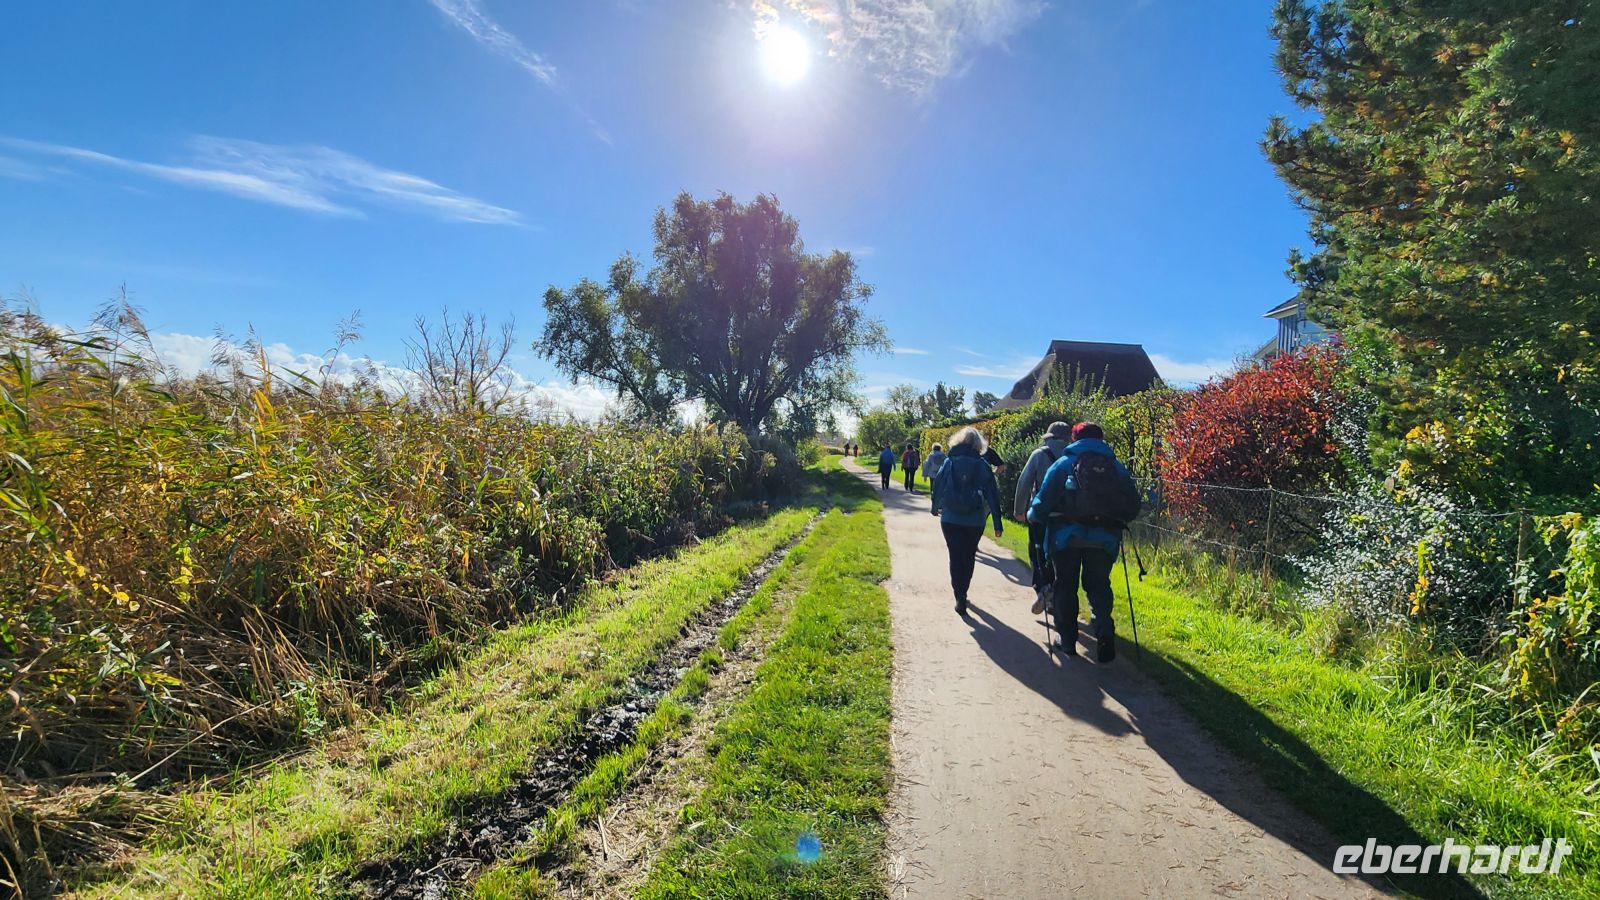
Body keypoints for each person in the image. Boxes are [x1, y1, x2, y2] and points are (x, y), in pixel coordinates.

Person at [1027, 422, 1138, 662]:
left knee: (1066, 586)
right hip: (1104, 539)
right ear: (1101, 439)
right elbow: (1133, 506)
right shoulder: (1116, 467)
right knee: (1098, 586)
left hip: (1066, 538)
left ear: (1074, 439)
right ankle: (1104, 632)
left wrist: (1033, 516)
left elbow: (1042, 503)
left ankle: (1067, 640)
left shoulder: (1063, 464)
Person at [930, 426, 1004, 616]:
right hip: (975, 520)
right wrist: (997, 523)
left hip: (950, 518)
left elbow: (938, 484)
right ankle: (964, 591)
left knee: (955, 556)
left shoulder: (950, 462)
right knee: (969, 556)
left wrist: (935, 506)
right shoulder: (983, 465)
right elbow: (993, 495)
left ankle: (959, 596)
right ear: (979, 444)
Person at [1013, 422, 1073, 615]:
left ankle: (1043, 589)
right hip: (1068, 516)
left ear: (1050, 438)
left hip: (1041, 513)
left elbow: (1025, 482)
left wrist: (1019, 510)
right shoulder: (1074, 456)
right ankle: (1058, 593)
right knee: (1063, 556)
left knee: (1038, 553)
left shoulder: (1039, 454)